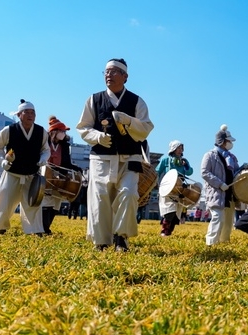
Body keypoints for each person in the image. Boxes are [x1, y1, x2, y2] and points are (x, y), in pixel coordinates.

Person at [76, 58, 154, 252]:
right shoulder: (93, 99)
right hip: (101, 158)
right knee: (100, 197)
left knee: (128, 194)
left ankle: (121, 237)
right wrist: (97, 136)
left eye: (113, 71)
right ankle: (101, 241)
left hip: (130, 159)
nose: (108, 75)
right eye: (106, 72)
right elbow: (83, 127)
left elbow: (145, 129)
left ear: (125, 77)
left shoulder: (137, 101)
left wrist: (129, 121)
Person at [0, 100, 50, 235]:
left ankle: (35, 231)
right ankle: (1, 228)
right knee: (5, 201)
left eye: (32, 113)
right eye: (27, 112)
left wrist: (43, 159)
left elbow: (45, 150)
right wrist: (2, 162)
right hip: (12, 174)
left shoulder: (41, 132)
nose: (30, 115)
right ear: (19, 115)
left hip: (31, 175)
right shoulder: (9, 130)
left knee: (33, 204)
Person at [201, 124, 242, 246]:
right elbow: (204, 172)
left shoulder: (231, 157)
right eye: (229, 141)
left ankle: (223, 243)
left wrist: (242, 170)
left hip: (229, 194)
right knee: (218, 218)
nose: (231, 143)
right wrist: (219, 184)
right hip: (216, 193)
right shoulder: (209, 155)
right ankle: (211, 243)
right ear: (223, 142)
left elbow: (235, 172)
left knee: (228, 221)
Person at [41, 116, 82, 234]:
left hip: (60, 177)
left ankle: (47, 227)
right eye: (62, 131)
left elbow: (66, 163)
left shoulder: (65, 145)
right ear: (55, 131)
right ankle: (44, 228)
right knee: (47, 200)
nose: (64, 133)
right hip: (46, 175)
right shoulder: (44, 142)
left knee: (56, 203)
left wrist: (76, 168)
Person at [156, 140, 193, 236]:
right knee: (169, 210)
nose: (180, 150)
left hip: (180, 188)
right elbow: (157, 171)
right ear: (173, 149)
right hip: (168, 187)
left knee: (176, 212)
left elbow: (190, 172)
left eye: (181, 148)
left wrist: (186, 166)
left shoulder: (184, 161)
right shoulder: (165, 160)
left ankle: (169, 231)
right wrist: (156, 183)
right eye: (178, 148)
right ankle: (164, 230)